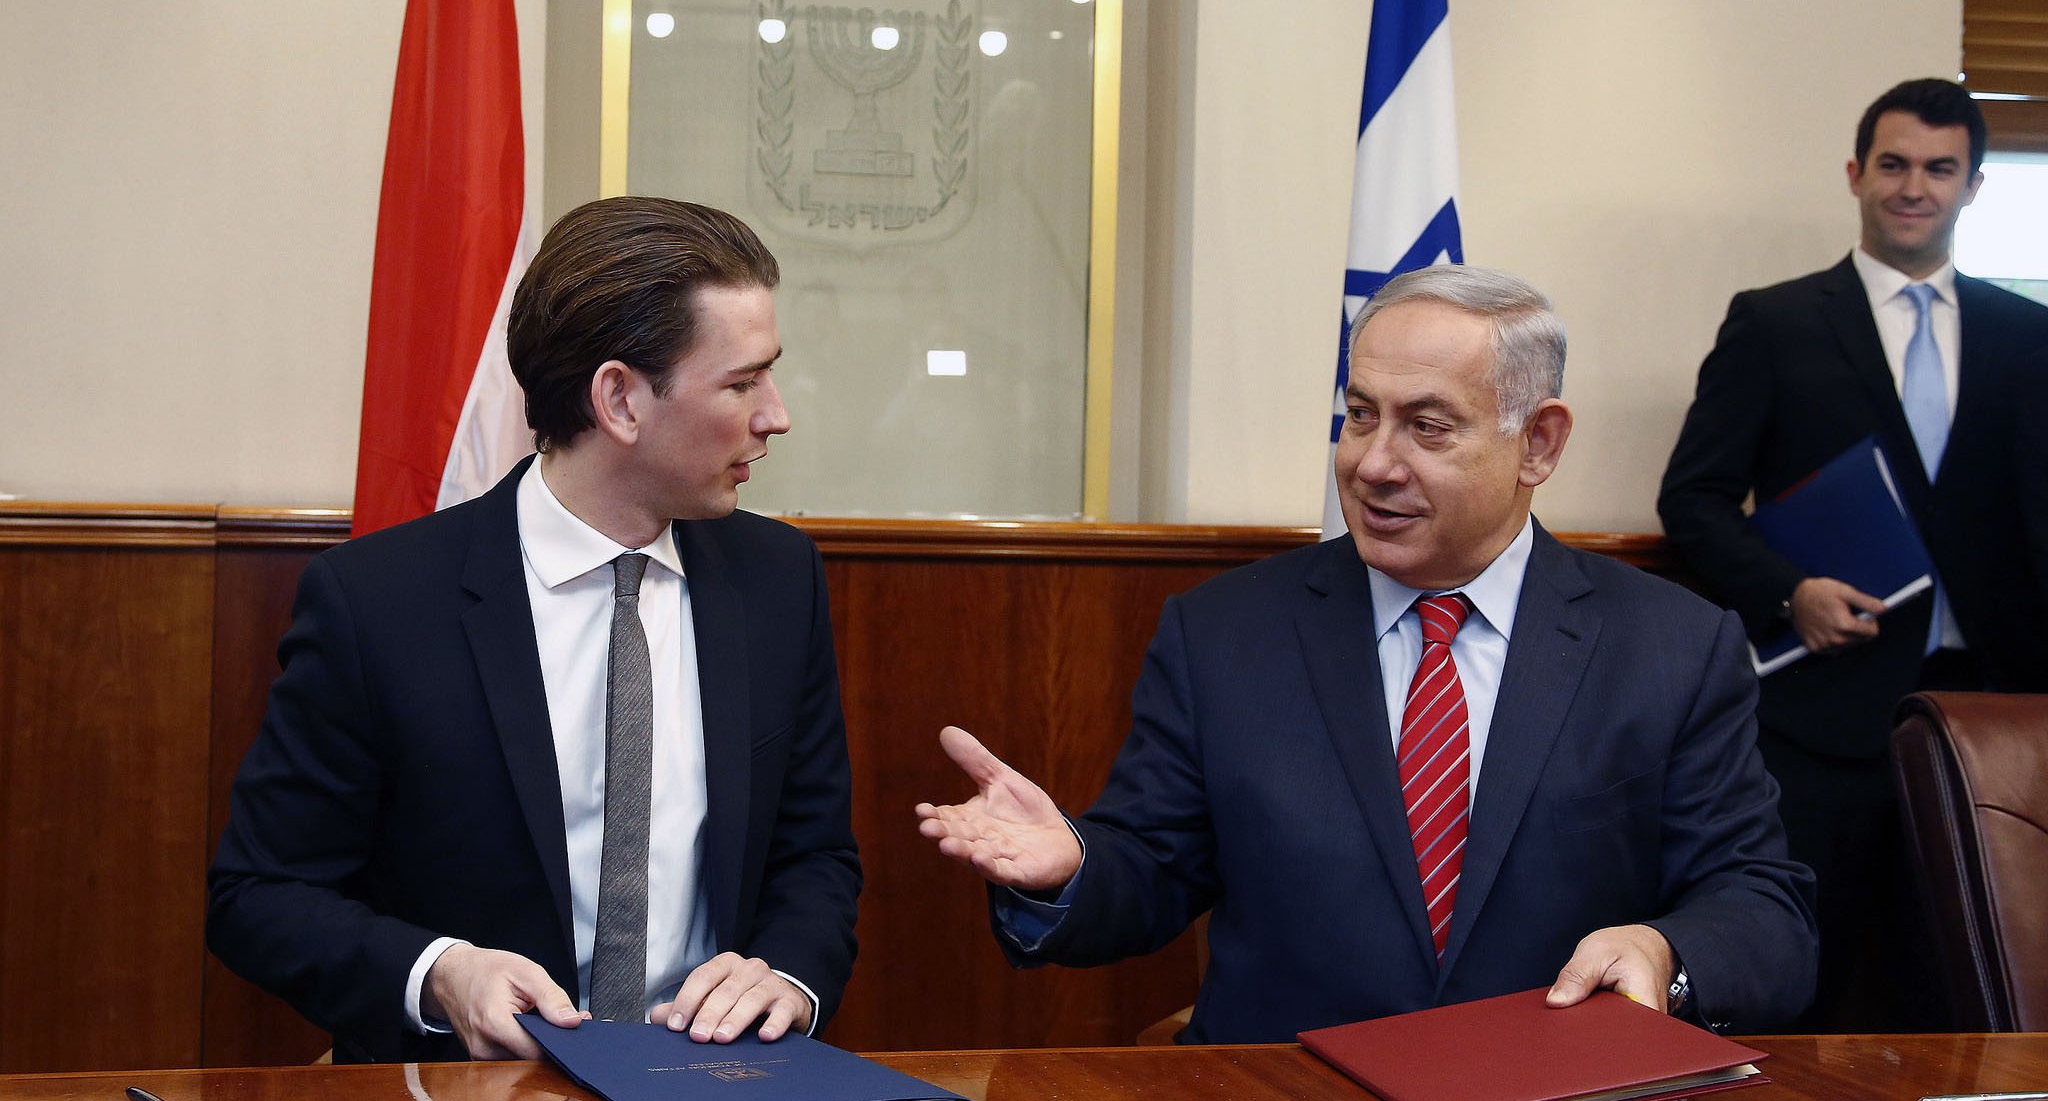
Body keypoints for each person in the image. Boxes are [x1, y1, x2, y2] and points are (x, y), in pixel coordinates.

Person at [917, 264, 1816, 1043]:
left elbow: (1762, 909)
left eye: (1427, 427)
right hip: (1288, 1087)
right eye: (1359, 415)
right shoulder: (1226, 633)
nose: (1373, 463)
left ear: (1537, 443)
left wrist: (1665, 951)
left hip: (1555, 1086)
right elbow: (1152, 870)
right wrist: (1074, 866)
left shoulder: (1672, 645)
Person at [208, 198, 862, 1063]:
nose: (775, 414)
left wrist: (790, 977)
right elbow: (258, 894)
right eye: (742, 383)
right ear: (619, 399)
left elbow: (815, 857)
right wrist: (439, 972)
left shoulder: (778, 581)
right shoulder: (377, 603)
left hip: (717, 1078)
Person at [1658, 78, 2048, 1031]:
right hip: (1826, 720)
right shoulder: (1777, 321)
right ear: (1856, 174)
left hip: (1995, 716)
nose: (1915, 187)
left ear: (1973, 186)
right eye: (1895, 164)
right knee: (1802, 985)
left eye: (1940, 169)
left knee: (1969, 994)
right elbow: (1693, 499)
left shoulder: (2029, 334)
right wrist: (1790, 592)